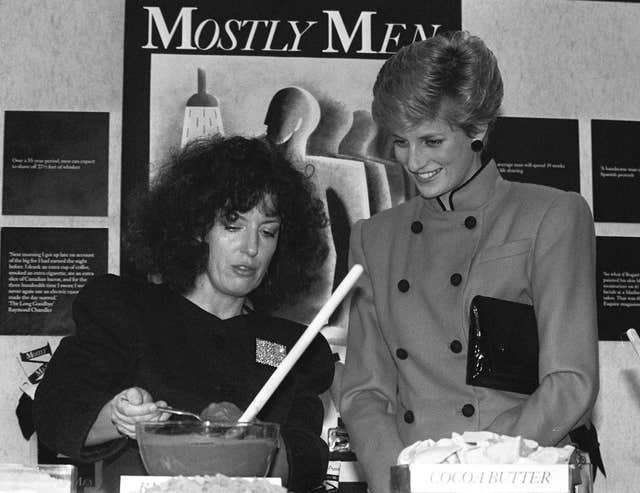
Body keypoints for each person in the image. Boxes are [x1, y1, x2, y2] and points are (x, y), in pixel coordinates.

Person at [339, 31, 600, 493]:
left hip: (521, 469)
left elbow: (570, 381)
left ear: (477, 130)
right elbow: (364, 392)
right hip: (414, 476)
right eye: (401, 142)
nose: (414, 161)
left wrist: (476, 472)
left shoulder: (552, 216)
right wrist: (399, 480)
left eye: (432, 141)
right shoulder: (373, 238)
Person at [33, 135, 334, 493]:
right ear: (195, 227)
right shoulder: (126, 310)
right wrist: (120, 416)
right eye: (233, 225)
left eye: (268, 232)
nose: (251, 248)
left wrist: (255, 446)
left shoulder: (294, 348)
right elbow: (58, 413)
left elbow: (308, 458)